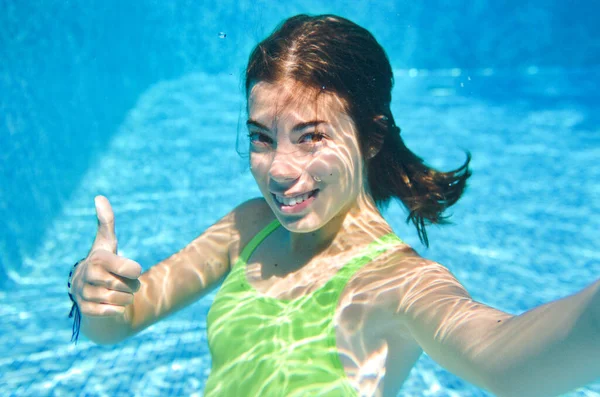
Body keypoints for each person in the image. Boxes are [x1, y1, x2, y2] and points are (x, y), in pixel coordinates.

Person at [67, 14, 599, 397]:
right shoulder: (246, 229)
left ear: (370, 138)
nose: (277, 168)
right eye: (261, 137)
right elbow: (118, 325)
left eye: (310, 136)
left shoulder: (398, 283)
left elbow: (503, 362)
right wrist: (93, 293)